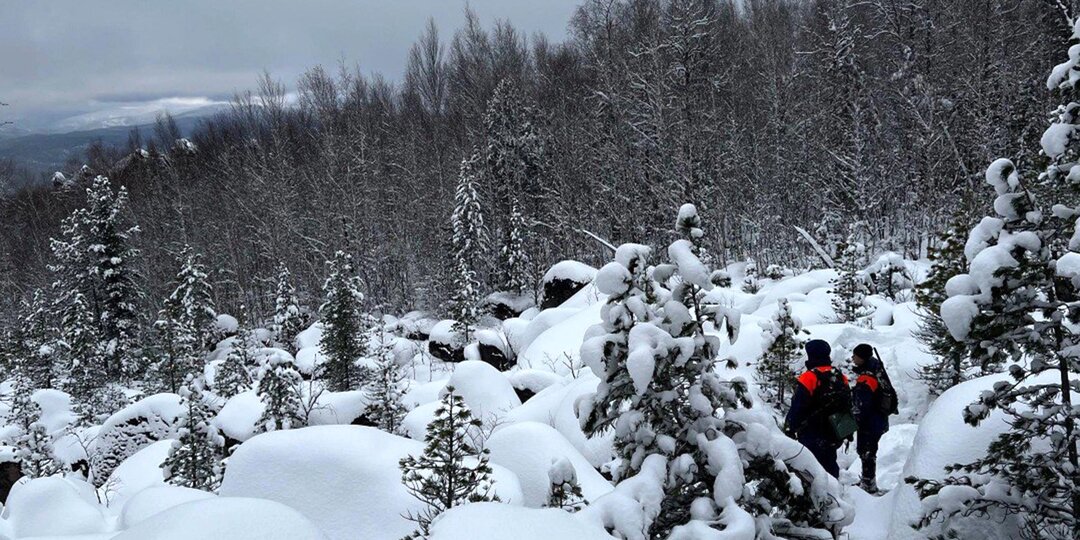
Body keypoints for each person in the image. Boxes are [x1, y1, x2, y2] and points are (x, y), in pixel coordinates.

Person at [785, 339, 851, 478]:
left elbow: (798, 406)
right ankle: (834, 493)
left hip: (813, 431)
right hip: (835, 429)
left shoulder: (809, 377)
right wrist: (847, 430)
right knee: (830, 462)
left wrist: (790, 427)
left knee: (810, 468)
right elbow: (847, 404)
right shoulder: (840, 376)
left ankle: (815, 495)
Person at [851, 343, 890, 494]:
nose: (852, 358)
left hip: (870, 421)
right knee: (870, 451)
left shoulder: (867, 377)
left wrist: (856, 420)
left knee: (866, 451)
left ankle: (868, 484)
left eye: (855, 355)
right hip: (879, 418)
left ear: (862, 357)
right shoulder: (877, 370)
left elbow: (862, 404)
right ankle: (868, 481)